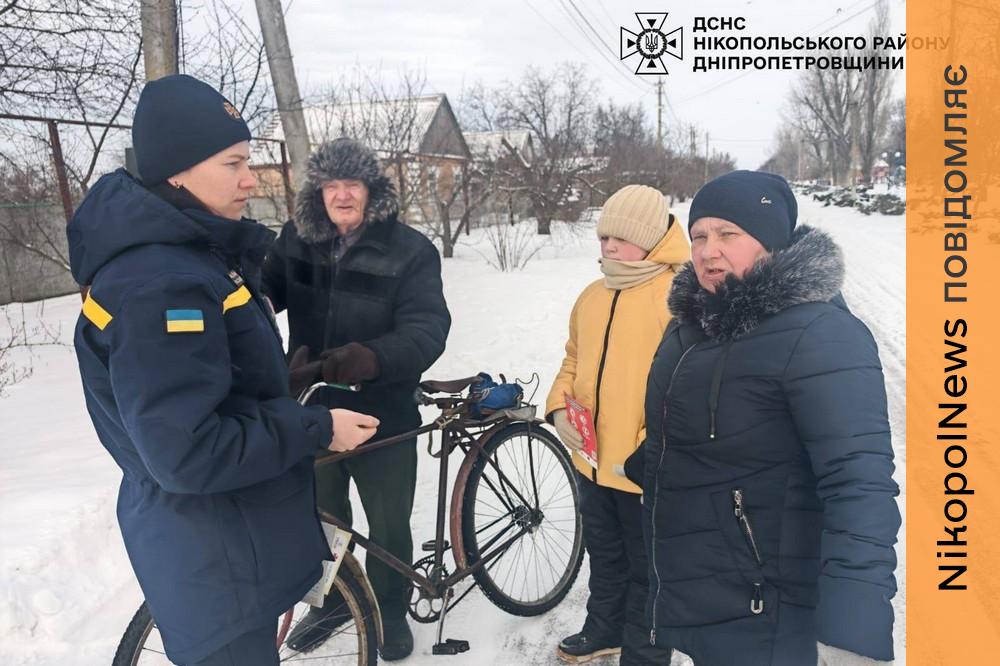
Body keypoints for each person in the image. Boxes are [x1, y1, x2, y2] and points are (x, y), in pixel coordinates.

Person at [67, 75, 379, 666]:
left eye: (249, 160)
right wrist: (315, 427)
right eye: (233, 162)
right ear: (177, 171)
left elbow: (210, 386)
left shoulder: (190, 258)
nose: (250, 178)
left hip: (228, 538)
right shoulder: (165, 284)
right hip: (219, 555)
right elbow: (188, 451)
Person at [638, 170, 900, 665]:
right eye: (698, 236)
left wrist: (853, 631)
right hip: (705, 594)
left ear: (771, 240)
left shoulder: (821, 335)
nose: (708, 250)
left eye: (728, 234)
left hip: (769, 607)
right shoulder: (694, 325)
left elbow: (859, 484)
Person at [261, 137, 451, 660]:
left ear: (372, 189)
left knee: (388, 520)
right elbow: (257, 298)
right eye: (331, 185)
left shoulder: (409, 250)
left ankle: (389, 606)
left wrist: (367, 358)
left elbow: (428, 329)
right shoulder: (294, 241)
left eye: (353, 184)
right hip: (313, 409)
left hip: (382, 411)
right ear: (318, 191)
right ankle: (334, 601)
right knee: (321, 515)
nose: (342, 196)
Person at [545, 185, 687, 665]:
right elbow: (573, 360)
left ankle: (645, 653)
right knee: (604, 556)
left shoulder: (675, 297)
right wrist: (560, 409)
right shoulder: (592, 294)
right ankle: (604, 628)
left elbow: (684, 383)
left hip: (640, 469)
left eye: (620, 238)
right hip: (590, 461)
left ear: (650, 240)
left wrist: (651, 448)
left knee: (648, 568)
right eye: (603, 236)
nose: (608, 246)